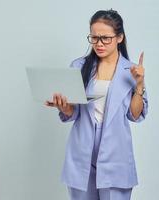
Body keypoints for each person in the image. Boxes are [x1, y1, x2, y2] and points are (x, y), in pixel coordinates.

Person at [45, 9, 148, 200]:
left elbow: (134, 115)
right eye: (94, 38)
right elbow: (73, 112)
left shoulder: (131, 71)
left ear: (119, 38)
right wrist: (63, 106)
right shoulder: (79, 67)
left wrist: (139, 85)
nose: (99, 44)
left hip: (116, 154)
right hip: (82, 149)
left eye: (105, 38)